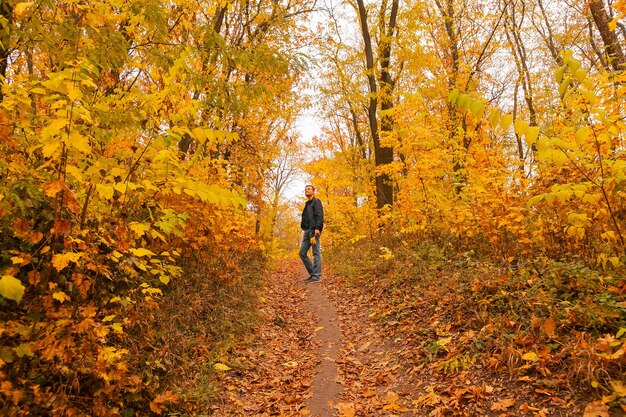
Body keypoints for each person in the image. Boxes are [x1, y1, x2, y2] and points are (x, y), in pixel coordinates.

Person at [299, 185, 324, 283]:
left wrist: (318, 228)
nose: (306, 191)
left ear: (313, 191)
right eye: (305, 189)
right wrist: (304, 228)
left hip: (314, 231)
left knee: (316, 253)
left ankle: (316, 276)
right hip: (307, 231)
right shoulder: (307, 204)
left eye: (308, 189)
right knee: (302, 253)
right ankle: (313, 273)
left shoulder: (316, 202)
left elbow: (319, 215)